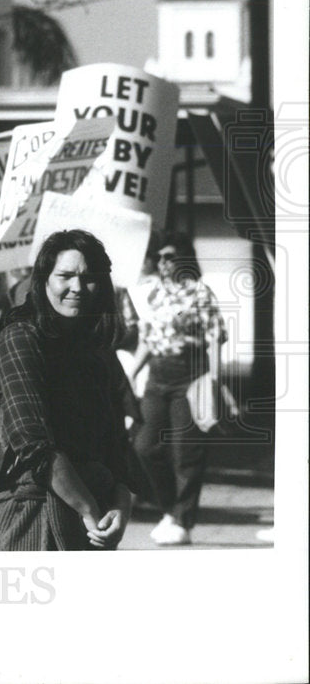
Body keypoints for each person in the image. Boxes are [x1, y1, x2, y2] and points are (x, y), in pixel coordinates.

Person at [0, 229, 136, 551]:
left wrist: (120, 502)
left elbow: (116, 440)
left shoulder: (97, 349)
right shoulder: (19, 338)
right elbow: (33, 443)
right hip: (22, 517)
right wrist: (88, 508)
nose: (77, 287)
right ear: (43, 280)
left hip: (90, 520)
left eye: (88, 278)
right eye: (65, 276)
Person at [130, 231, 226, 546]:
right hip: (159, 373)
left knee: (187, 452)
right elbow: (147, 337)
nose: (164, 262)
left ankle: (183, 520)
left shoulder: (200, 293)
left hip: (191, 372)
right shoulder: (155, 293)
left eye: (170, 256)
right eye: (160, 257)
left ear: (184, 258)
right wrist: (133, 372)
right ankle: (169, 509)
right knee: (144, 445)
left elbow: (217, 338)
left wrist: (212, 380)